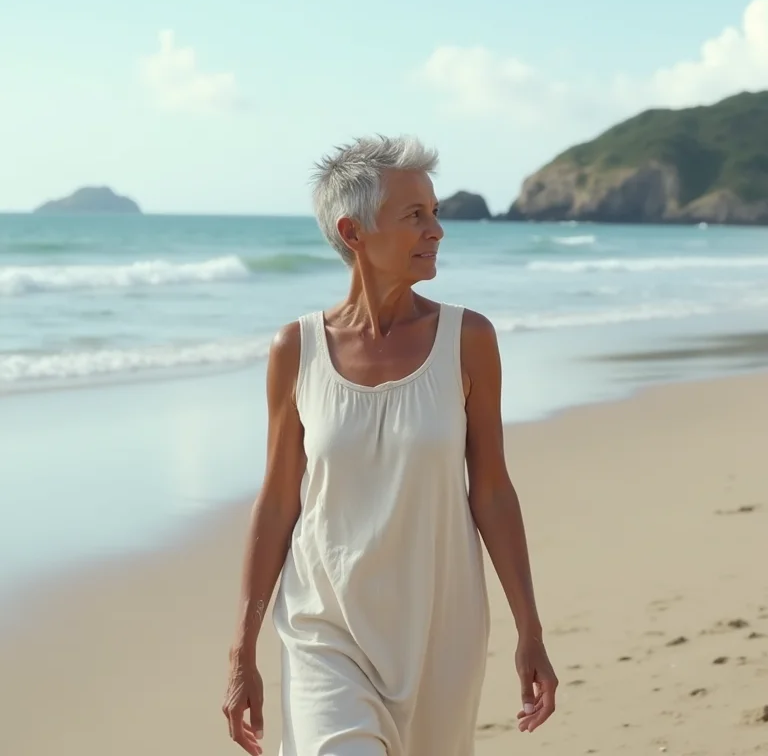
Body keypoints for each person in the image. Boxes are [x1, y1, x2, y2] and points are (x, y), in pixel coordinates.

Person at [222, 135, 558, 755]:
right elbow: (275, 503)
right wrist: (243, 650)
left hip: (439, 625)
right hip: (325, 624)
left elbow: (491, 490)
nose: (436, 230)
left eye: (434, 212)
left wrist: (529, 628)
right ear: (354, 233)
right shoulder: (295, 350)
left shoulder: (468, 339)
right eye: (415, 216)